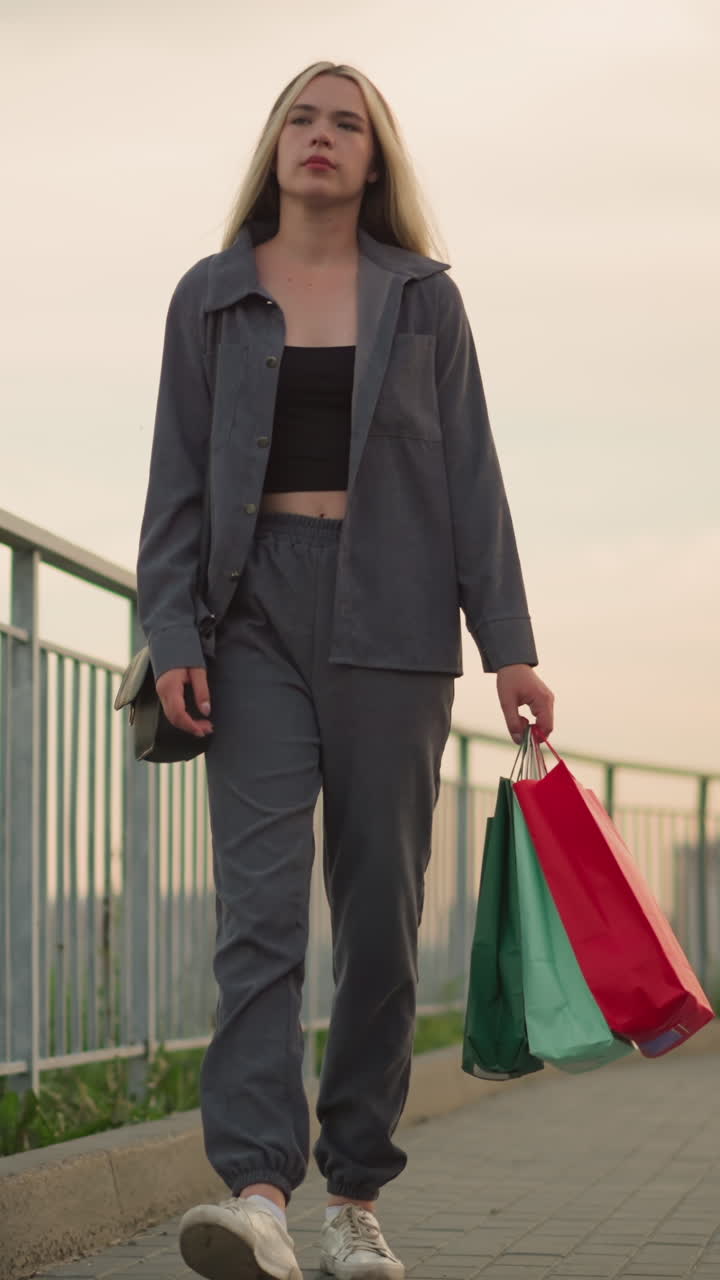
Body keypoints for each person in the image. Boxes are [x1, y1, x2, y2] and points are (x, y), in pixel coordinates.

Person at [136, 59, 554, 1280]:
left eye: (347, 124)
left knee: (378, 919)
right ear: (275, 144)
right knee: (259, 916)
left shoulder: (424, 300)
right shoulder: (212, 296)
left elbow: (471, 475)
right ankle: (260, 1191)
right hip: (251, 618)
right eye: (301, 118)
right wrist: (175, 635)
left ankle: (354, 1195)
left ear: (375, 161)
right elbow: (175, 479)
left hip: (397, 621)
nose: (320, 136)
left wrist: (510, 645)